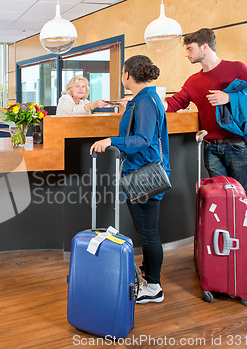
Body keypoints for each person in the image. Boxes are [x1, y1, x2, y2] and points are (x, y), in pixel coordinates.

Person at [164, 28, 247, 264]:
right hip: (211, 148)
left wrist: (230, 98)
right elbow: (175, 103)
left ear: (204, 47)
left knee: (245, 196)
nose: (187, 54)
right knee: (222, 199)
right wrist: (146, 101)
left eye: (190, 48)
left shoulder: (236, 68)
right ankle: (229, 246)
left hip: (238, 146)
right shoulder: (193, 81)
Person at [90, 55, 170, 304]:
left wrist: (111, 141)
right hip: (139, 172)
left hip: (144, 174)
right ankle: (148, 276)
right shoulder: (143, 99)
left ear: (128, 74)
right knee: (146, 230)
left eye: (122, 72)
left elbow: (142, 140)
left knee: (148, 233)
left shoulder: (145, 101)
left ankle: (154, 287)